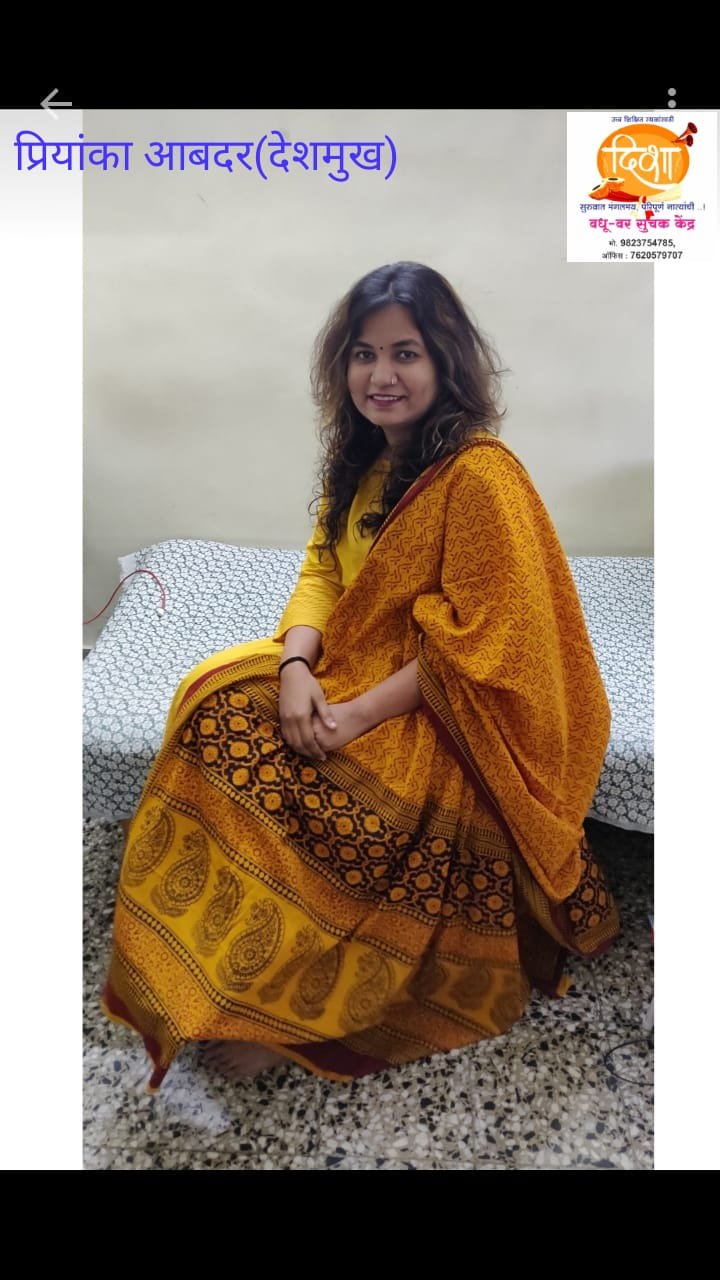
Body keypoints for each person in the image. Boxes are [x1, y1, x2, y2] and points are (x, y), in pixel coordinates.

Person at [102, 262, 619, 1091]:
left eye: (405, 353)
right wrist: (296, 665)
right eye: (364, 354)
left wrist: (355, 717)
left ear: (445, 360)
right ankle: (226, 968)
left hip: (445, 709)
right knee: (215, 705)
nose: (382, 375)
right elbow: (322, 570)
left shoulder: (478, 475)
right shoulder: (366, 458)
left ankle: (300, 1015)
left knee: (336, 800)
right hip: (349, 664)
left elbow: (491, 646)